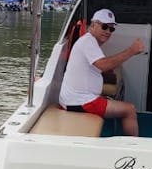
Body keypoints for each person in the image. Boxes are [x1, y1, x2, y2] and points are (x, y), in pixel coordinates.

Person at [59, 8, 144, 136]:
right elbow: (103, 65)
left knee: (118, 103)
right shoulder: (88, 41)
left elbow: (99, 66)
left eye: (111, 29)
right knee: (129, 110)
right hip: (80, 101)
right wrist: (131, 50)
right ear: (93, 25)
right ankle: (132, 149)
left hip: (77, 99)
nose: (108, 32)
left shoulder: (89, 41)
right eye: (104, 27)